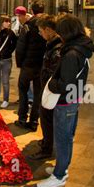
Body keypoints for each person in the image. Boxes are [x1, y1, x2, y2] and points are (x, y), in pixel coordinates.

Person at [36, 15, 94, 187]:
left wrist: (51, 82)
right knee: (66, 137)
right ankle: (62, 168)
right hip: (73, 98)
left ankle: (59, 176)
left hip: (65, 101)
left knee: (62, 138)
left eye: (61, 32)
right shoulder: (80, 48)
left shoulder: (71, 53)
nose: (59, 36)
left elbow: (65, 84)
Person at [30, 15, 63, 160]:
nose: (40, 34)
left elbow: (54, 73)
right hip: (48, 89)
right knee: (45, 118)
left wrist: (47, 86)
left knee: (47, 119)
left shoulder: (57, 48)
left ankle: (46, 149)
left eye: (41, 31)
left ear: (49, 30)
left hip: (51, 91)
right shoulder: (52, 44)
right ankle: (46, 142)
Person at [15, 0, 46, 131]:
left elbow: (20, 47)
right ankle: (34, 121)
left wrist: (20, 63)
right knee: (38, 94)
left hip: (28, 65)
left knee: (23, 91)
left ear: (32, 11)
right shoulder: (49, 24)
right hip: (42, 65)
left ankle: (22, 118)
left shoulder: (28, 25)